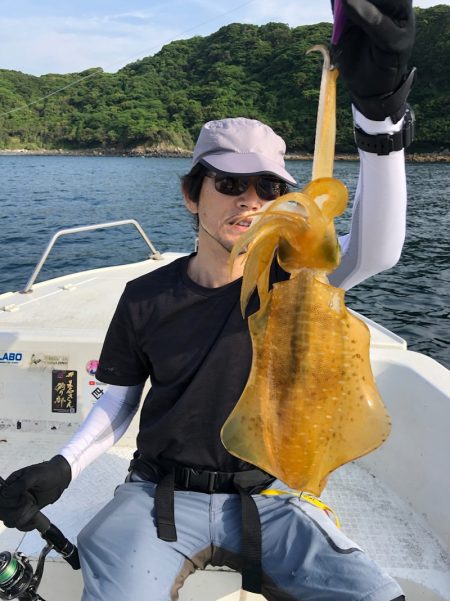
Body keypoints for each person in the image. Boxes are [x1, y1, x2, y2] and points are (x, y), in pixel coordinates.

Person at [0, 1, 415, 599]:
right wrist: (63, 465)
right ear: (193, 194)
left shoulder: (297, 276)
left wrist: (381, 118)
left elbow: (377, 249)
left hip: (275, 496)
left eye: (268, 187)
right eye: (229, 183)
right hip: (159, 495)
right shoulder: (146, 297)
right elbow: (118, 401)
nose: (249, 201)